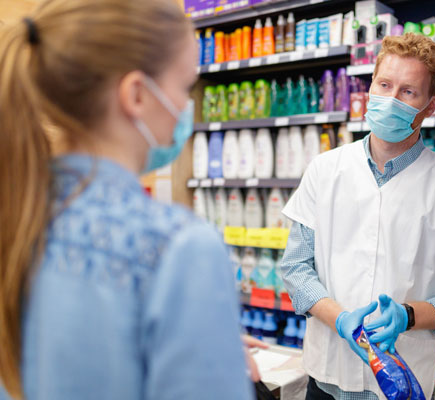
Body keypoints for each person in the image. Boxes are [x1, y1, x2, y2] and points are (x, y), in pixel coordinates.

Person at [0, 0, 254, 399]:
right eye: (185, 87)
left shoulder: (16, 214)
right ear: (136, 94)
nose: (187, 108)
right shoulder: (178, 247)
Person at [280, 34, 435, 400]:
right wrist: (340, 319)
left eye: (408, 92)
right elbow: (296, 269)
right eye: (384, 85)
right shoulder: (324, 170)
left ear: (431, 105)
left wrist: (407, 316)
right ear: (370, 87)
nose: (391, 99)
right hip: (325, 379)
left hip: (401, 384)